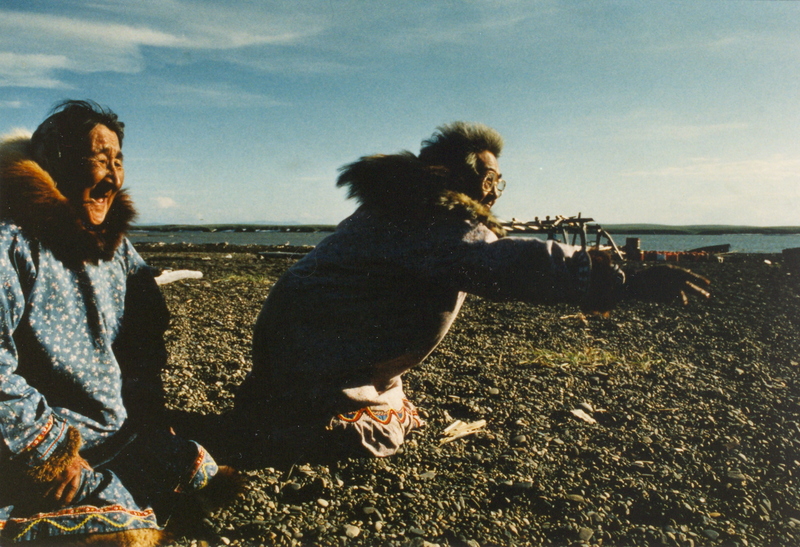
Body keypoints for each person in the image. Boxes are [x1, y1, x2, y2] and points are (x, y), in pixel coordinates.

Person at [233, 121, 710, 462]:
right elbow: (509, 264)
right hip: (316, 349)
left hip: (311, 341)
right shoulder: (431, 220)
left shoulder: (401, 208)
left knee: (381, 408)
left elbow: (496, 252)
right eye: (490, 177)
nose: (497, 189)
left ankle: (286, 401)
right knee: (366, 438)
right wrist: (619, 279)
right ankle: (287, 419)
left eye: (498, 179)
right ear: (458, 179)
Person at [0, 101, 240, 546]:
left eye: (118, 160)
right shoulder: (11, 244)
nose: (112, 173)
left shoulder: (115, 244)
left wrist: (151, 410)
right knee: (128, 533)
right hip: (44, 438)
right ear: (55, 161)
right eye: (98, 158)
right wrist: (53, 453)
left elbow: (143, 330)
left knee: (201, 471)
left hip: (114, 427)